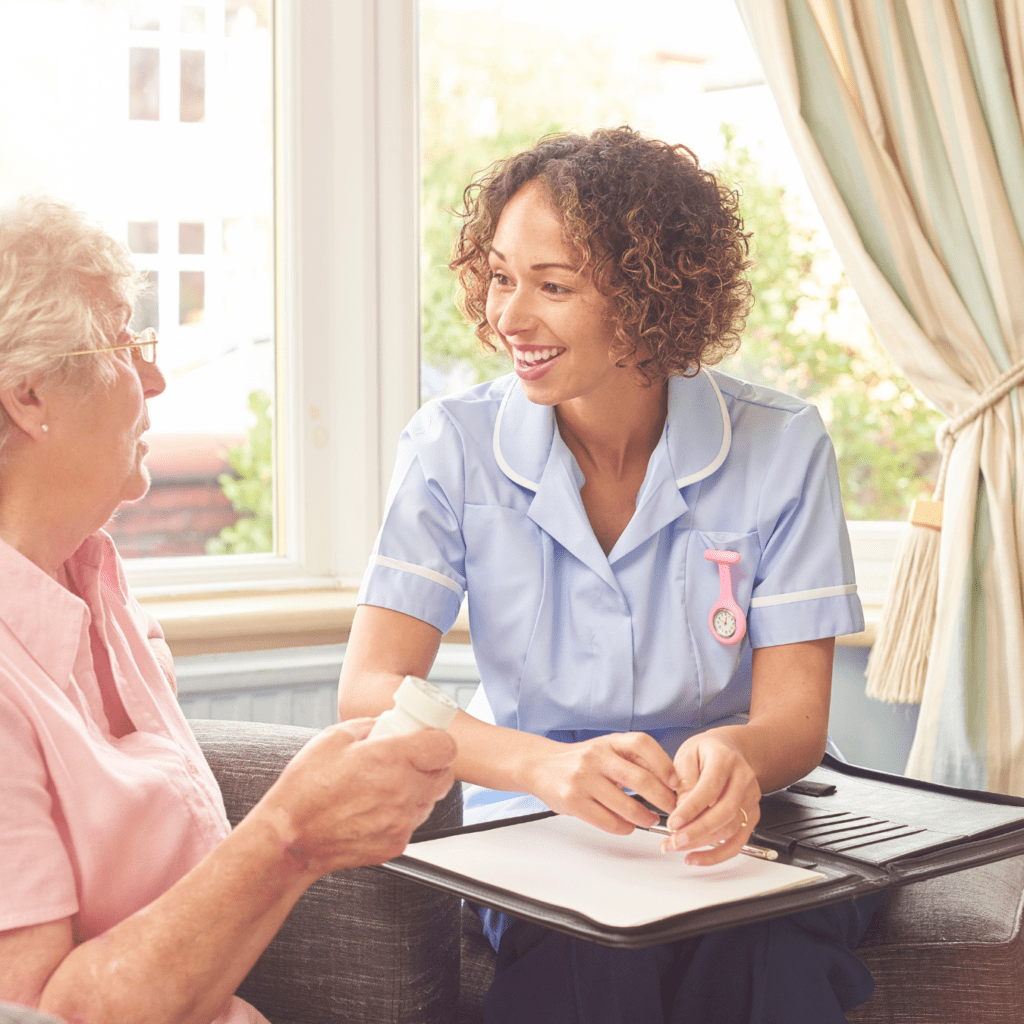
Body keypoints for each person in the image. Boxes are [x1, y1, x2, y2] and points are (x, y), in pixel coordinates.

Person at [338, 126, 882, 1023]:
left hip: (750, 829)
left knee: (768, 949)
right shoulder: (450, 448)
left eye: (553, 286)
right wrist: (544, 768)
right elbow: (368, 691)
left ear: (648, 294)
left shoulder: (781, 446)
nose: (510, 318)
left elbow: (794, 716)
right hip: (549, 831)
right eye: (502, 277)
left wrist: (734, 755)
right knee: (592, 965)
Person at [0, 197, 457, 1024]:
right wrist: (290, 833)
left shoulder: (93, 576)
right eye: (123, 342)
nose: (155, 378)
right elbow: (41, 1013)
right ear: (29, 396)